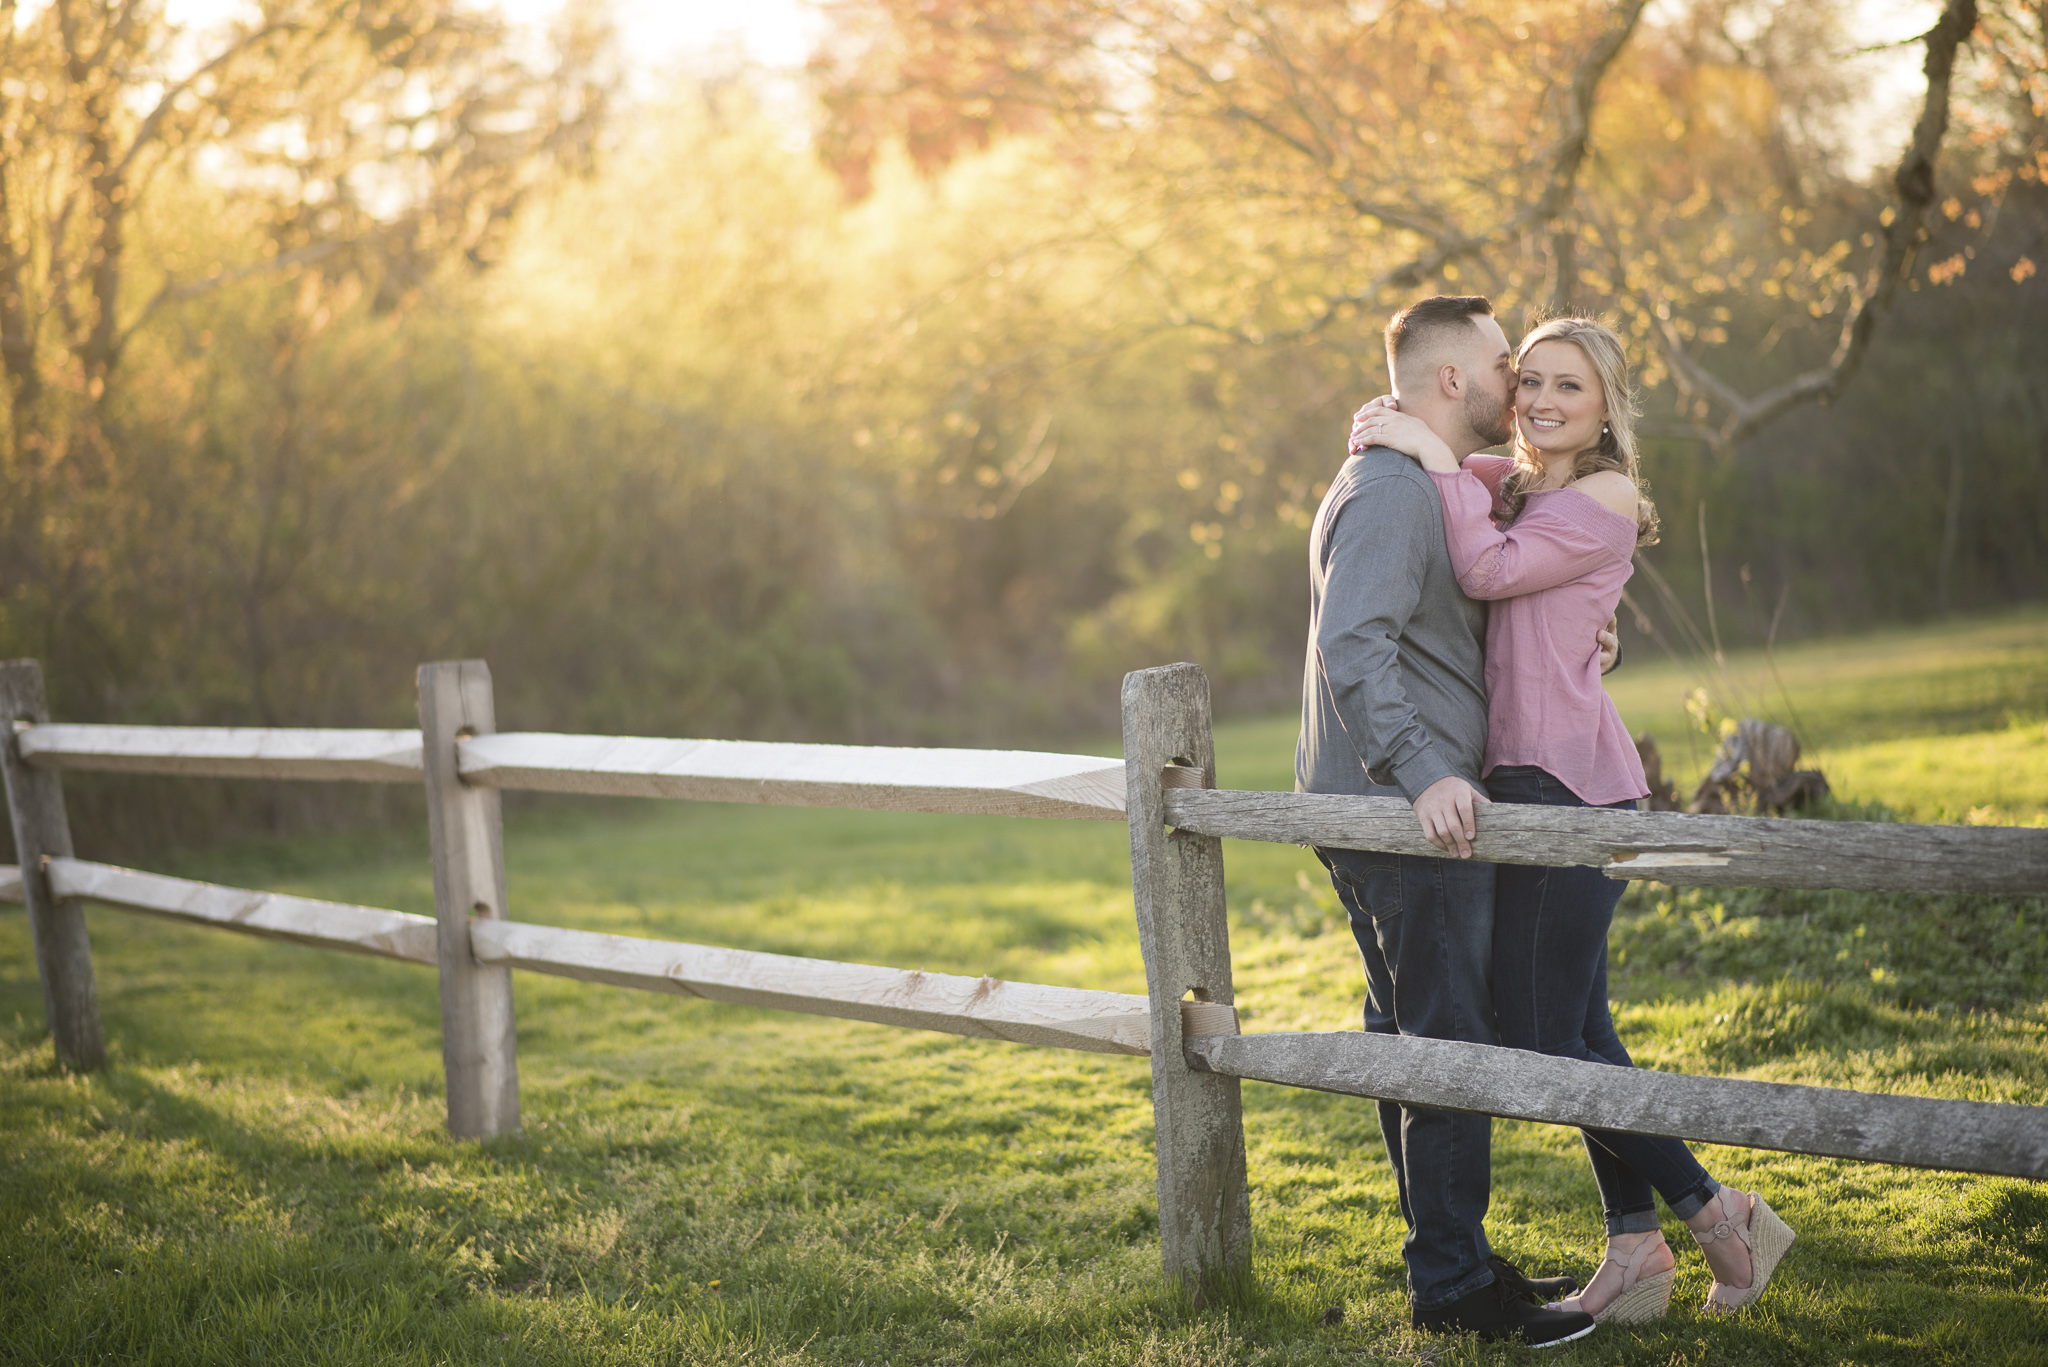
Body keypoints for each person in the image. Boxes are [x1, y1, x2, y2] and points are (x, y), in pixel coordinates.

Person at [1348, 314, 1796, 1324]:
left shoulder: (1602, 494)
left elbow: (1486, 573)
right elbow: (1498, 535)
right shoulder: (1521, 482)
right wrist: (1409, 430)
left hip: (1572, 785)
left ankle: (1716, 1210)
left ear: (1605, 409)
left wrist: (1423, 449)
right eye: (1532, 383)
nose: (1544, 402)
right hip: (1521, 778)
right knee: (1579, 1027)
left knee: (1544, 1042)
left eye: (1569, 389)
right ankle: (1633, 1242)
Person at [1297, 294, 1600, 1348]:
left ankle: (1449, 1260)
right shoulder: (1388, 489)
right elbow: (1355, 643)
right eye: (1501, 360)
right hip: (1403, 813)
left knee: (1408, 1039)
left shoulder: (1417, 476)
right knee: (1446, 1039)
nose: (1517, 377)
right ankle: (1455, 1289)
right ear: (1451, 381)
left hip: (1389, 807)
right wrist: (1424, 769)